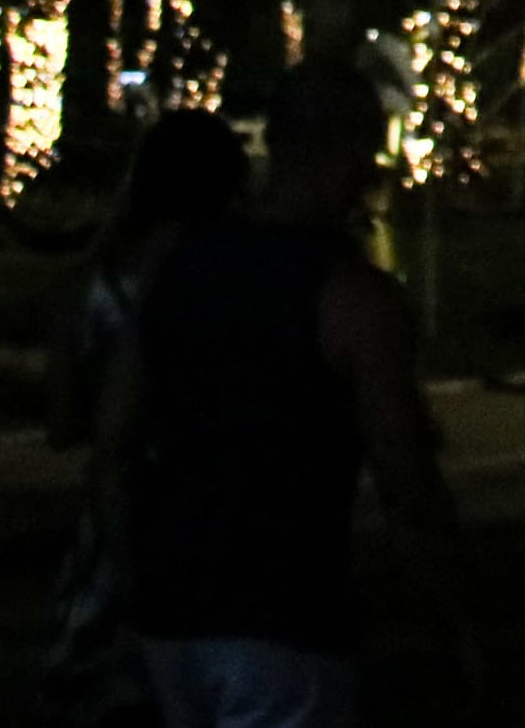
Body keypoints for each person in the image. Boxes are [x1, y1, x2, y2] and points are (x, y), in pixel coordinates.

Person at [116, 64, 472, 725]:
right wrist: (454, 623)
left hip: (169, 612)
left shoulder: (176, 262)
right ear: (353, 155)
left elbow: (117, 436)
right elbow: (407, 487)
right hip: (281, 616)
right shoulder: (354, 297)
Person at [41, 110, 248, 725]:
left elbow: (62, 423)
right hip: (215, 523)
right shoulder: (234, 281)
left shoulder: (97, 282)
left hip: (116, 524)